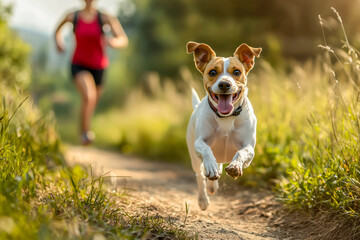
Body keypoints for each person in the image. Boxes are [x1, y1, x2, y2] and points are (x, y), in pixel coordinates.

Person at [55, 0, 128, 145]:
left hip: (99, 67)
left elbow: (123, 39)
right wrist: (59, 41)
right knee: (89, 96)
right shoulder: (73, 16)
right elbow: (57, 30)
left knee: (90, 101)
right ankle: (86, 134)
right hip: (79, 64)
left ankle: (81, 131)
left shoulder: (104, 18)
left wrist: (114, 42)